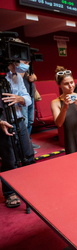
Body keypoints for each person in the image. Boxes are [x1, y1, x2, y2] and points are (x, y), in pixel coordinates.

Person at [1, 62, 35, 208]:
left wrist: (20, 99)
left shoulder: (18, 77)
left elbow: (27, 99)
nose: (25, 64)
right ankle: (10, 193)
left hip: (19, 120)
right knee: (10, 160)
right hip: (3, 124)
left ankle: (30, 187)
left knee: (28, 156)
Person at [19, 60, 40, 150]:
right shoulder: (18, 69)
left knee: (31, 121)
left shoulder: (28, 67)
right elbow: (18, 79)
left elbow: (34, 77)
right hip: (22, 98)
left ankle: (28, 141)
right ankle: (24, 144)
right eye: (25, 61)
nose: (27, 63)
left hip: (30, 96)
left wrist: (33, 77)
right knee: (25, 122)